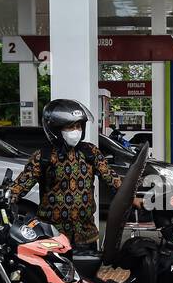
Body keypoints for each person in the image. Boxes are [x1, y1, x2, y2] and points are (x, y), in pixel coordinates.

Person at [10, 99, 135, 249]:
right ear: (55, 130)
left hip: (86, 236)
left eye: (78, 126)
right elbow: (19, 187)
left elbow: (111, 178)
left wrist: (133, 198)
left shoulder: (90, 152)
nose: (76, 131)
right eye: (70, 127)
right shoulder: (44, 156)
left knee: (87, 272)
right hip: (53, 236)